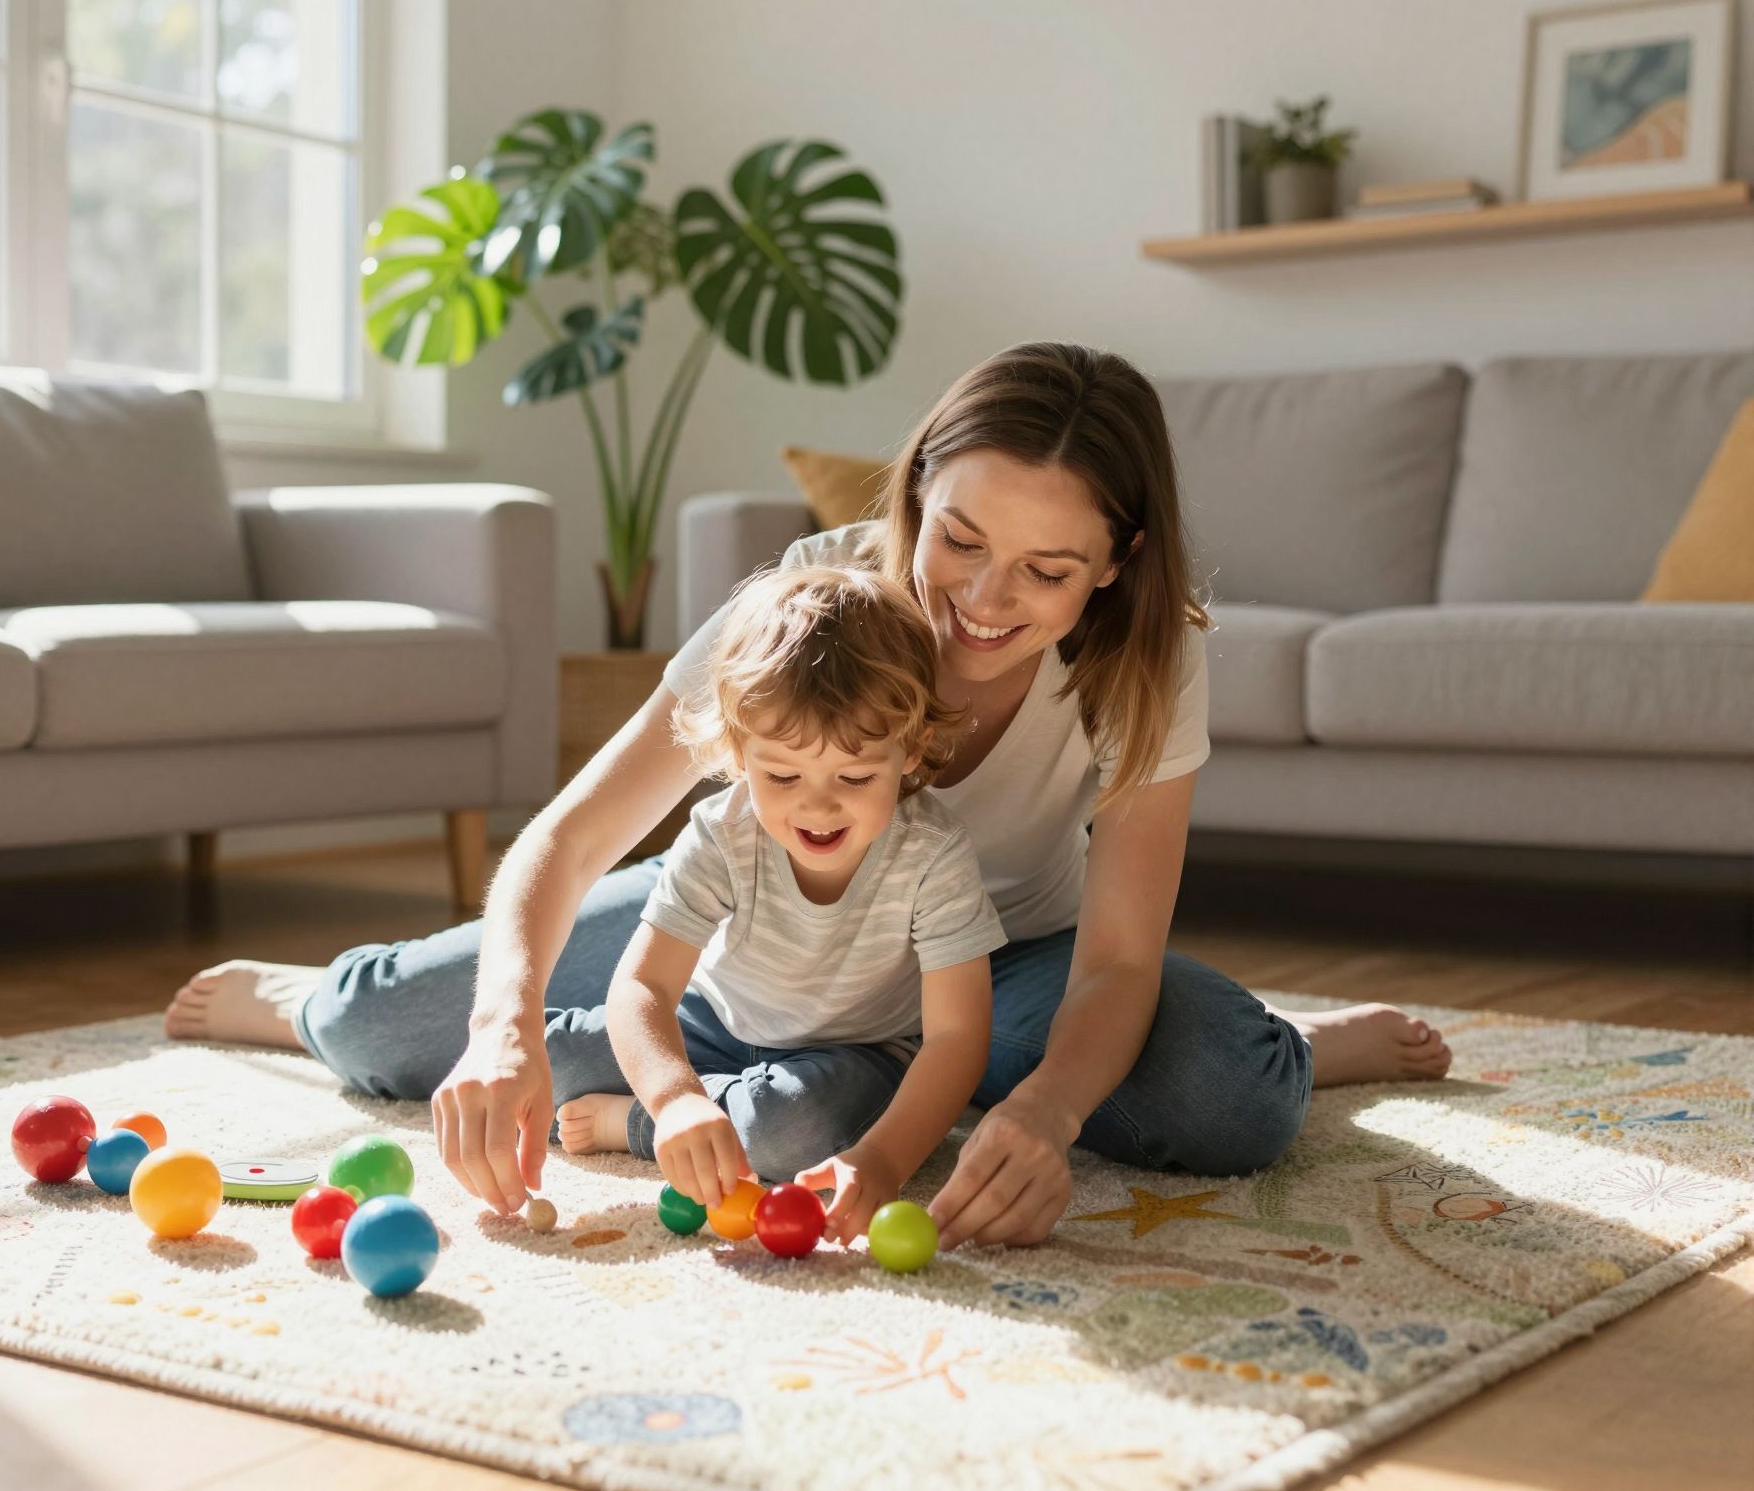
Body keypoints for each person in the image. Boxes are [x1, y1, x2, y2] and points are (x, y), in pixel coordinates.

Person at [167, 340, 1453, 1250]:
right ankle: (305, 1002)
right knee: (410, 1035)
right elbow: (570, 839)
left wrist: (1048, 1113)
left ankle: (1306, 1046)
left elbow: (1117, 960)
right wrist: (503, 1024)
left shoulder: (1149, 656)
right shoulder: (808, 607)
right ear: (912, 491)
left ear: (1113, 566)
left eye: (1044, 570)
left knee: (1220, 1094)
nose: (982, 602)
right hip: (756, 932)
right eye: (956, 538)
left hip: (998, 969)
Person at [545, 564, 1004, 1243]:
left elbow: (958, 1039)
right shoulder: (721, 832)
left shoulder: (932, 854)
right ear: (737, 752)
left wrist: (880, 1162)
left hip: (858, 1052)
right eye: (782, 774)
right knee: (550, 1058)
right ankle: (697, 1110)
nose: (817, 803)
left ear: (911, 751)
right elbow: (643, 985)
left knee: (794, 1132)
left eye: (854, 775)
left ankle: (635, 1123)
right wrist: (675, 1099)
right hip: (719, 1023)